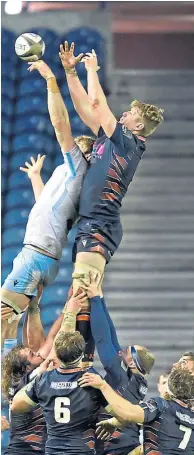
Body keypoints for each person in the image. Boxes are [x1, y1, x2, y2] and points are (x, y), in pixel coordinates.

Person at [59, 42, 164, 365]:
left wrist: (91, 71)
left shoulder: (128, 142)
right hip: (94, 222)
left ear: (137, 126)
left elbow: (96, 102)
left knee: (81, 294)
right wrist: (70, 73)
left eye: (130, 113)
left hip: (100, 225)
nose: (124, 114)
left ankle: (76, 360)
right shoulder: (112, 138)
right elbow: (85, 109)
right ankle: (82, 358)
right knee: (82, 295)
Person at [1, 59, 94, 345]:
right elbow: (48, 206)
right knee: (14, 319)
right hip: (44, 254)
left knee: (4, 316)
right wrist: (35, 178)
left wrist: (51, 79)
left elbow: (59, 124)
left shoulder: (78, 166)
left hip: (36, 253)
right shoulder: (71, 178)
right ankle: (12, 372)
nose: (71, 145)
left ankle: (7, 370)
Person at [11, 314, 111, 455]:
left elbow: (16, 405)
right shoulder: (90, 378)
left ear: (57, 352)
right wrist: (113, 420)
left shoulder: (43, 380)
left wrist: (41, 379)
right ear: (82, 355)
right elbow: (121, 411)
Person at [1, 290, 84, 455]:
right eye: (31, 355)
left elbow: (50, 342)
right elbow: (56, 347)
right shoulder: (32, 379)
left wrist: (67, 308)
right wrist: (71, 313)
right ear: (25, 367)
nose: (37, 352)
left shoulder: (20, 381)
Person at [84, 272, 154, 455]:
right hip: (125, 452)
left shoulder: (120, 378)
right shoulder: (132, 380)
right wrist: (100, 299)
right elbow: (111, 336)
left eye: (129, 350)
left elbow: (104, 341)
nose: (123, 348)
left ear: (133, 361)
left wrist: (94, 300)